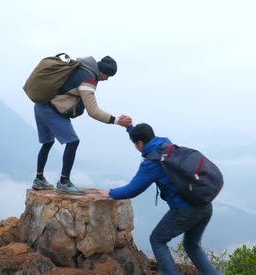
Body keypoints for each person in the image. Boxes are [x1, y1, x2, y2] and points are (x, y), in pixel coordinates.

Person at [107, 123, 217, 275]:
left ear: (139, 143)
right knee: (192, 245)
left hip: (186, 210)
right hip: (205, 204)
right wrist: (130, 128)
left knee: (157, 240)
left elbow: (132, 190)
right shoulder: (165, 144)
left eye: (135, 144)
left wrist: (109, 193)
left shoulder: (152, 163)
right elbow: (143, 137)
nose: (136, 147)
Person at [32, 56, 132, 195]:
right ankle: (64, 182)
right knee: (73, 142)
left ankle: (39, 179)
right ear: (102, 71)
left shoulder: (80, 67)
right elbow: (93, 111)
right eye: (107, 75)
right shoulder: (89, 78)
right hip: (52, 109)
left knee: (48, 142)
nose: (106, 79)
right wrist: (116, 121)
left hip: (41, 104)